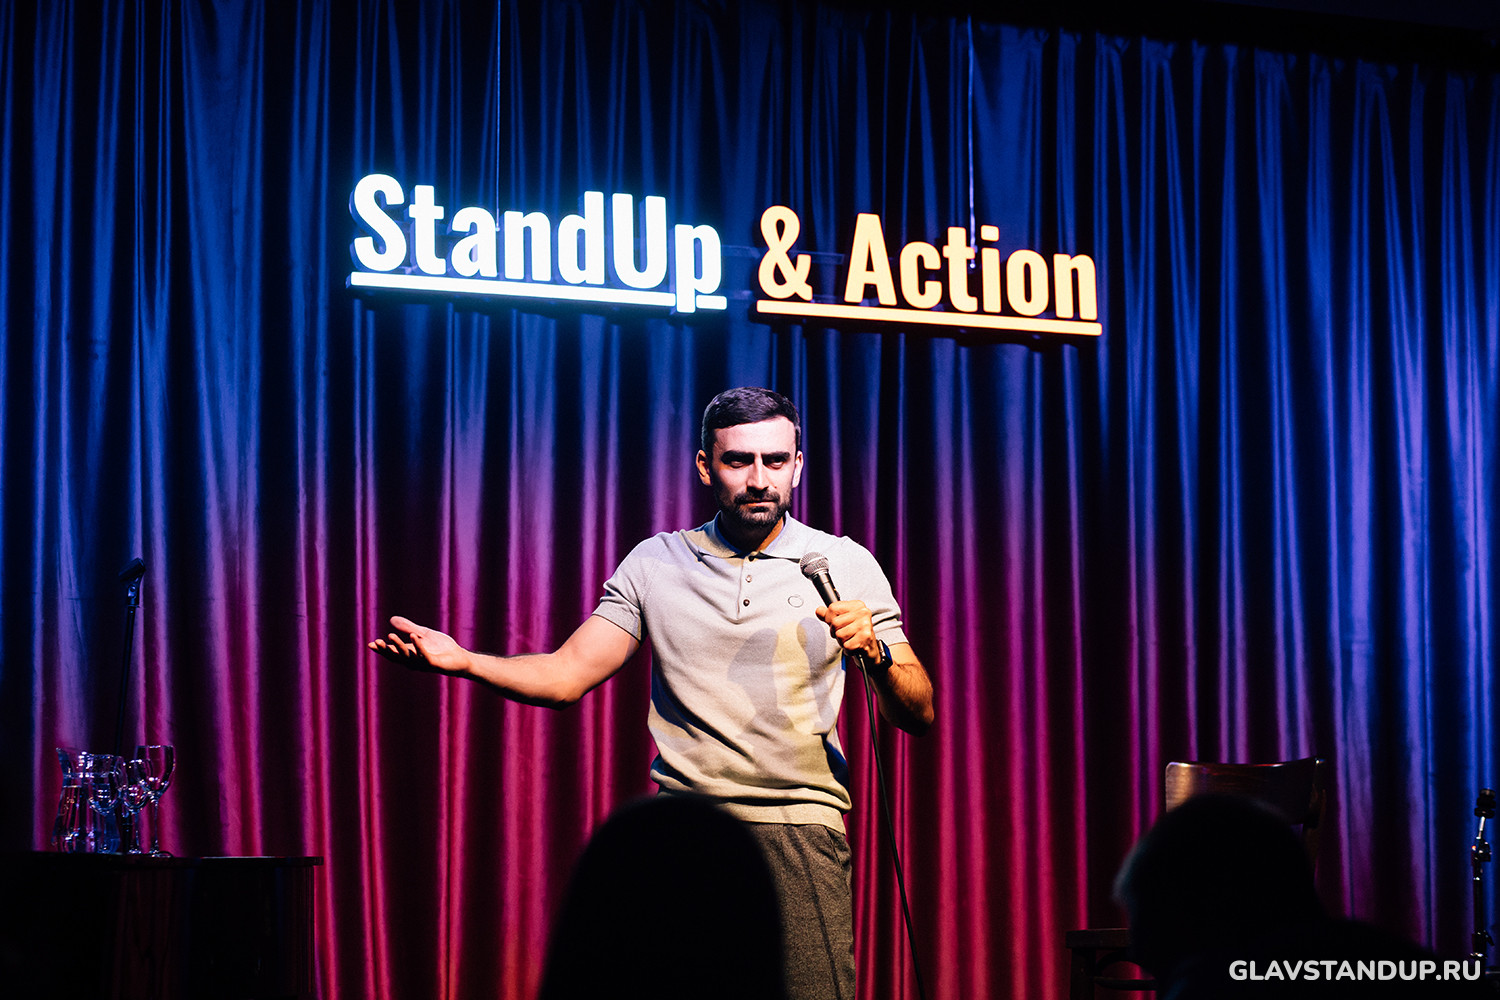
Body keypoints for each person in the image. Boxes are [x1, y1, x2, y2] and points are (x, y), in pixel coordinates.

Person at [369, 386, 935, 1000]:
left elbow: (919, 711)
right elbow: (566, 676)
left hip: (798, 829)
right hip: (683, 833)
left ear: (797, 466)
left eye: (775, 460)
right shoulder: (657, 561)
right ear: (705, 466)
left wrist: (876, 654)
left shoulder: (842, 563)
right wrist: (465, 662)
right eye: (738, 460)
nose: (758, 479)